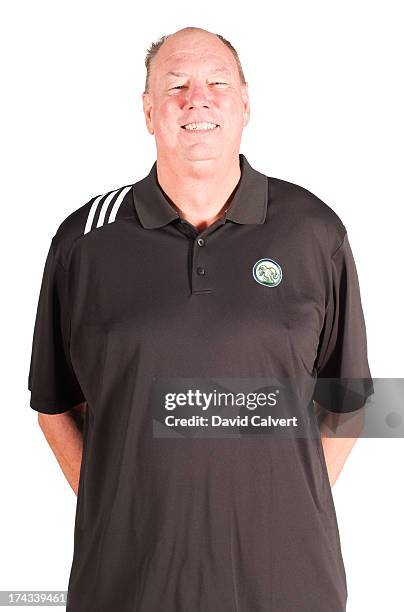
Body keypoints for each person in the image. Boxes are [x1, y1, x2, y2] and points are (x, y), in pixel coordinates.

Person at [28, 26, 373, 612]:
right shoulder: (83, 242)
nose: (198, 99)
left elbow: (351, 398)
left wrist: (289, 504)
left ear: (245, 104)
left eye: (217, 82)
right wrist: (119, 510)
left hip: (288, 586)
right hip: (126, 587)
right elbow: (55, 405)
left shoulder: (314, 231)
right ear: (148, 111)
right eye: (176, 85)